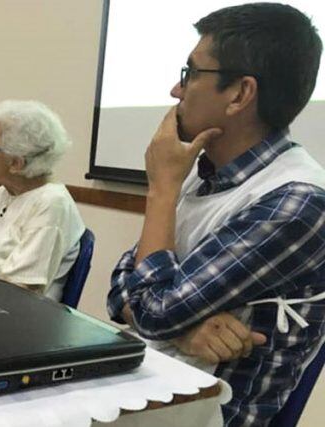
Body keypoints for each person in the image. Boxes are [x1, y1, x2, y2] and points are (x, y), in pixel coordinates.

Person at [106, 3, 325, 426]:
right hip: (152, 387)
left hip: (210, 415)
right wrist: (182, 329)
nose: (175, 90)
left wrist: (162, 189)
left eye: (190, 74)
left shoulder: (296, 202)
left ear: (240, 94)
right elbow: (120, 290)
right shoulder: (203, 174)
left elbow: (151, 308)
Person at [0, 100, 85, 300]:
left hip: (9, 314)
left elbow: (19, 290)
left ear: (17, 163)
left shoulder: (51, 203)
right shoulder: (5, 192)